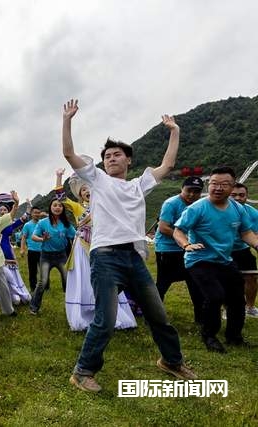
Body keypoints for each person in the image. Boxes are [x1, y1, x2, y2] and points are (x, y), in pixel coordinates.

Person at [62, 99, 196, 393]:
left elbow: (168, 164)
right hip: (106, 257)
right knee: (106, 319)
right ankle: (83, 372)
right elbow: (69, 153)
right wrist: (68, 120)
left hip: (134, 258)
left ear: (128, 160)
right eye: (107, 155)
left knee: (159, 315)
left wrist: (174, 131)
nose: (111, 158)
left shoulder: (139, 185)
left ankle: (171, 361)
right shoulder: (96, 180)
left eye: (117, 154)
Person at [173, 167, 258, 352]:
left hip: (224, 260)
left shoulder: (238, 208)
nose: (218, 188)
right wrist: (187, 245)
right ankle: (209, 336)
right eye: (214, 184)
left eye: (224, 184)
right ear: (208, 184)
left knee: (237, 298)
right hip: (199, 259)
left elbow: (246, 232)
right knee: (215, 296)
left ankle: (234, 337)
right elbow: (178, 231)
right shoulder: (197, 208)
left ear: (232, 186)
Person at [54, 168, 136, 331]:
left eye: (89, 188)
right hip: (83, 248)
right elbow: (61, 198)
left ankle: (112, 314)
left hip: (102, 246)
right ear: (80, 194)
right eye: (83, 189)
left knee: (105, 280)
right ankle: (86, 315)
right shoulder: (78, 208)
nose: (87, 191)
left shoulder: (105, 205)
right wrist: (59, 177)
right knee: (86, 280)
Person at [154, 176, 205, 324]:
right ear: (182, 189)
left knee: (195, 282)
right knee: (163, 284)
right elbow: (163, 228)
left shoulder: (199, 205)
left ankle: (200, 318)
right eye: (189, 190)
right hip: (168, 249)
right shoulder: (171, 204)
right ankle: (152, 315)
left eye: (196, 192)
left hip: (189, 250)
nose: (192, 195)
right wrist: (184, 240)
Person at [29, 198, 76, 314]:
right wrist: (42, 239)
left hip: (61, 256)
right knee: (43, 282)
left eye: (60, 205)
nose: (57, 207)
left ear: (62, 208)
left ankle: (71, 307)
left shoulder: (66, 223)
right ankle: (33, 308)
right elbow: (33, 237)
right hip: (46, 257)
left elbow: (75, 236)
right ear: (50, 208)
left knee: (67, 280)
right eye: (55, 205)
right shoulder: (43, 222)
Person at [0, 193, 31, 305]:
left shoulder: (10, 223)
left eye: (5, 210)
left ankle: (15, 294)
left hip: (7, 252)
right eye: (0, 210)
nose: (2, 211)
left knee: (11, 274)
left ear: (8, 211)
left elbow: (24, 218)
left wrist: (28, 206)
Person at [229, 183, 258, 318]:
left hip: (243, 248)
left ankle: (250, 307)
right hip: (222, 250)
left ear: (247, 197)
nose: (237, 198)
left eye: (241, 195)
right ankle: (227, 308)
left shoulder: (253, 213)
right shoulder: (217, 209)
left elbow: (256, 236)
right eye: (233, 195)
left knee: (251, 277)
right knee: (227, 280)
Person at [20, 206, 43, 292]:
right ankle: (33, 287)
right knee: (32, 270)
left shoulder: (42, 223)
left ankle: (45, 286)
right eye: (35, 212)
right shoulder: (27, 225)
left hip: (43, 250)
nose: (37, 214)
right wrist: (22, 249)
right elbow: (23, 237)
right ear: (31, 214)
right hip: (32, 251)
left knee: (44, 269)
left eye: (38, 212)